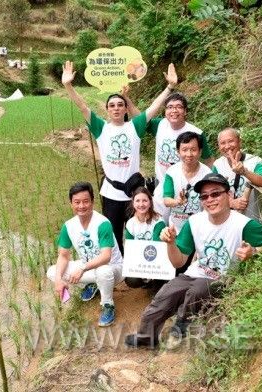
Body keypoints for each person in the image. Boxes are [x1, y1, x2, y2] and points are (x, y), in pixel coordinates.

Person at [125, 173, 262, 348]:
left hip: (223, 277)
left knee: (198, 290)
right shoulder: (194, 222)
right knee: (166, 293)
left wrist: (255, 251)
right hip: (195, 272)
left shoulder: (243, 224)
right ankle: (147, 337)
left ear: (229, 196)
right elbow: (179, 262)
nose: (210, 200)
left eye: (215, 194)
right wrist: (170, 244)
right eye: (205, 196)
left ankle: (181, 326)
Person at [61, 60, 177, 254]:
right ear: (107, 109)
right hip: (111, 193)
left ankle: (139, 270)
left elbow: (154, 107)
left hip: (134, 193)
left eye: (120, 105)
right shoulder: (101, 129)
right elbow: (82, 106)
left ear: (125, 109)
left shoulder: (134, 127)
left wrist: (170, 87)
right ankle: (118, 270)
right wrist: (68, 85)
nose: (116, 108)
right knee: (115, 234)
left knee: (138, 231)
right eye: (112, 105)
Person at [124, 90, 213, 223]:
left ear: (185, 111)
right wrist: (126, 98)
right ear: (165, 111)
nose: (174, 110)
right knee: (159, 221)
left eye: (179, 107)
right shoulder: (160, 125)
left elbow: (208, 159)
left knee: (188, 221)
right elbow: (141, 118)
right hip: (162, 184)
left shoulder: (196, 133)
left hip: (189, 185)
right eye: (170, 107)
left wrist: (207, 181)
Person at [46, 182, 124, 326]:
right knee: (52, 272)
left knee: (103, 271)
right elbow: (63, 255)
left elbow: (106, 256)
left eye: (85, 201)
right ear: (71, 204)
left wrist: (82, 268)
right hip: (89, 267)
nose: (81, 206)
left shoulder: (102, 223)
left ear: (92, 202)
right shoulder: (69, 226)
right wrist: (58, 279)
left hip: (113, 269)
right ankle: (93, 284)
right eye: (77, 202)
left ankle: (108, 305)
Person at [212, 128, 262, 220]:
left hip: (252, 221)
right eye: (223, 143)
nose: (227, 146)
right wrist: (231, 202)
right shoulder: (217, 165)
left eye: (231, 141)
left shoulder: (255, 161)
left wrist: (245, 172)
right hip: (226, 222)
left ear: (240, 142)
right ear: (219, 146)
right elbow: (211, 192)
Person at [163, 132, 211, 235]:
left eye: (193, 150)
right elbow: (166, 200)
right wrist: (177, 202)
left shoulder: (207, 174)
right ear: (178, 151)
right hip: (176, 228)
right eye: (184, 150)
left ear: (200, 151)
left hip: (199, 228)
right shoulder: (171, 172)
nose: (189, 154)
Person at [123, 186, 167, 289]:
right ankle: (146, 282)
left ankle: (157, 282)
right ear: (133, 203)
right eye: (137, 201)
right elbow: (130, 248)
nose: (141, 204)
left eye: (144, 201)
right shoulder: (130, 223)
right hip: (141, 260)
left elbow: (158, 248)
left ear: (150, 202)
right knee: (131, 280)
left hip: (156, 260)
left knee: (159, 283)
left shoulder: (158, 222)